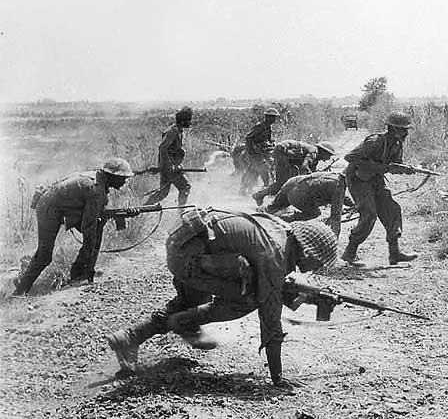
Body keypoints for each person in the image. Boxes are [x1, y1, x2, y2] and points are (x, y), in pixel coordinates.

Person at [105, 210, 338, 389]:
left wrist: (312, 297)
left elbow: (271, 281)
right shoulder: (274, 255)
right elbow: (270, 314)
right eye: (318, 263)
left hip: (187, 247)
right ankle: (185, 322)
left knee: (190, 301)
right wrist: (277, 377)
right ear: (308, 252)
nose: (315, 269)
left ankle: (129, 337)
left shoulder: (277, 231)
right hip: (190, 258)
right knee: (248, 299)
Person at [13, 158, 135, 295]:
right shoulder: (95, 188)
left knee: (97, 227)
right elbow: (88, 228)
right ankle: (20, 292)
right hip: (48, 207)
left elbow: (94, 213)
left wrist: (119, 215)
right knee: (44, 256)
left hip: (59, 206)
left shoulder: (98, 180)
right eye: (122, 177)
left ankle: (81, 272)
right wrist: (90, 252)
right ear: (112, 176)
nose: (125, 181)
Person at [341, 113, 418, 266]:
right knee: (369, 213)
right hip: (357, 179)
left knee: (392, 209)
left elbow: (394, 165)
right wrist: (381, 167)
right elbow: (350, 157)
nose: (406, 134)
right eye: (403, 130)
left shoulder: (397, 145)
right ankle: (349, 253)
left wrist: (404, 169)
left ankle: (394, 253)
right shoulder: (375, 142)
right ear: (393, 129)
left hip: (375, 179)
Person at [261, 171, 353, 237]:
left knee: (271, 209)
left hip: (292, 183)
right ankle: (282, 219)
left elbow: (343, 197)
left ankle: (259, 215)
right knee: (315, 213)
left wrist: (353, 204)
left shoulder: (334, 175)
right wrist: (334, 240)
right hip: (298, 195)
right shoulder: (339, 186)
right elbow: (335, 218)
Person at [252, 140, 335, 206]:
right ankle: (260, 195)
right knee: (283, 184)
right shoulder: (314, 152)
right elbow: (304, 168)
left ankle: (264, 196)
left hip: (285, 155)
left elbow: (310, 172)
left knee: (287, 182)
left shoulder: (315, 158)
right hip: (282, 152)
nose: (329, 158)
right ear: (324, 151)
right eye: (329, 155)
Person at [144, 106, 194, 206]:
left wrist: (178, 164)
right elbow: (162, 147)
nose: (190, 122)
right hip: (169, 168)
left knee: (163, 193)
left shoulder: (177, 131)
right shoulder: (172, 131)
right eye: (189, 120)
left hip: (168, 167)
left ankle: (142, 208)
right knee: (185, 187)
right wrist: (170, 165)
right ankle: (181, 212)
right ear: (183, 121)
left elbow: (174, 151)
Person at [239, 107, 281, 195]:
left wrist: (271, 144)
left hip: (263, 153)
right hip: (254, 154)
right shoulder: (260, 126)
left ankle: (244, 190)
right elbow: (248, 138)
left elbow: (268, 140)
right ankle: (265, 192)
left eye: (274, 117)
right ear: (267, 117)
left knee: (252, 172)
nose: (274, 119)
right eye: (272, 117)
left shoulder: (268, 127)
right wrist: (254, 149)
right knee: (264, 171)